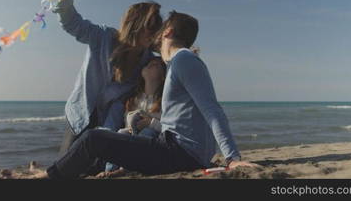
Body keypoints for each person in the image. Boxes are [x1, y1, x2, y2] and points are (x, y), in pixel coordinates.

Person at [34, 11, 256, 179]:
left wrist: (232, 159)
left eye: (161, 30)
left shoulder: (184, 61)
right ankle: (47, 171)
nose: (156, 35)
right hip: (174, 148)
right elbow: (179, 123)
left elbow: (212, 109)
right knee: (101, 153)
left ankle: (47, 178)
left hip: (179, 154)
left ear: (168, 32)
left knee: (93, 139)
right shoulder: (176, 64)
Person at [51, 0, 163, 159]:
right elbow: (71, 23)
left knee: (93, 168)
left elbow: (172, 54)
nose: (153, 33)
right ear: (134, 24)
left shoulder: (147, 60)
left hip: (111, 121)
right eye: (150, 27)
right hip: (81, 112)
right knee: (66, 163)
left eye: (157, 28)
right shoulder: (103, 37)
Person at [97, 57, 167, 178]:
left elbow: (169, 128)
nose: (150, 65)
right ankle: (110, 170)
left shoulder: (164, 101)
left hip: (152, 143)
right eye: (148, 63)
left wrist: (150, 122)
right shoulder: (133, 99)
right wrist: (130, 126)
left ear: (162, 76)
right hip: (131, 136)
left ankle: (125, 170)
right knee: (121, 135)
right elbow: (127, 122)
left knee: (147, 131)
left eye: (155, 65)